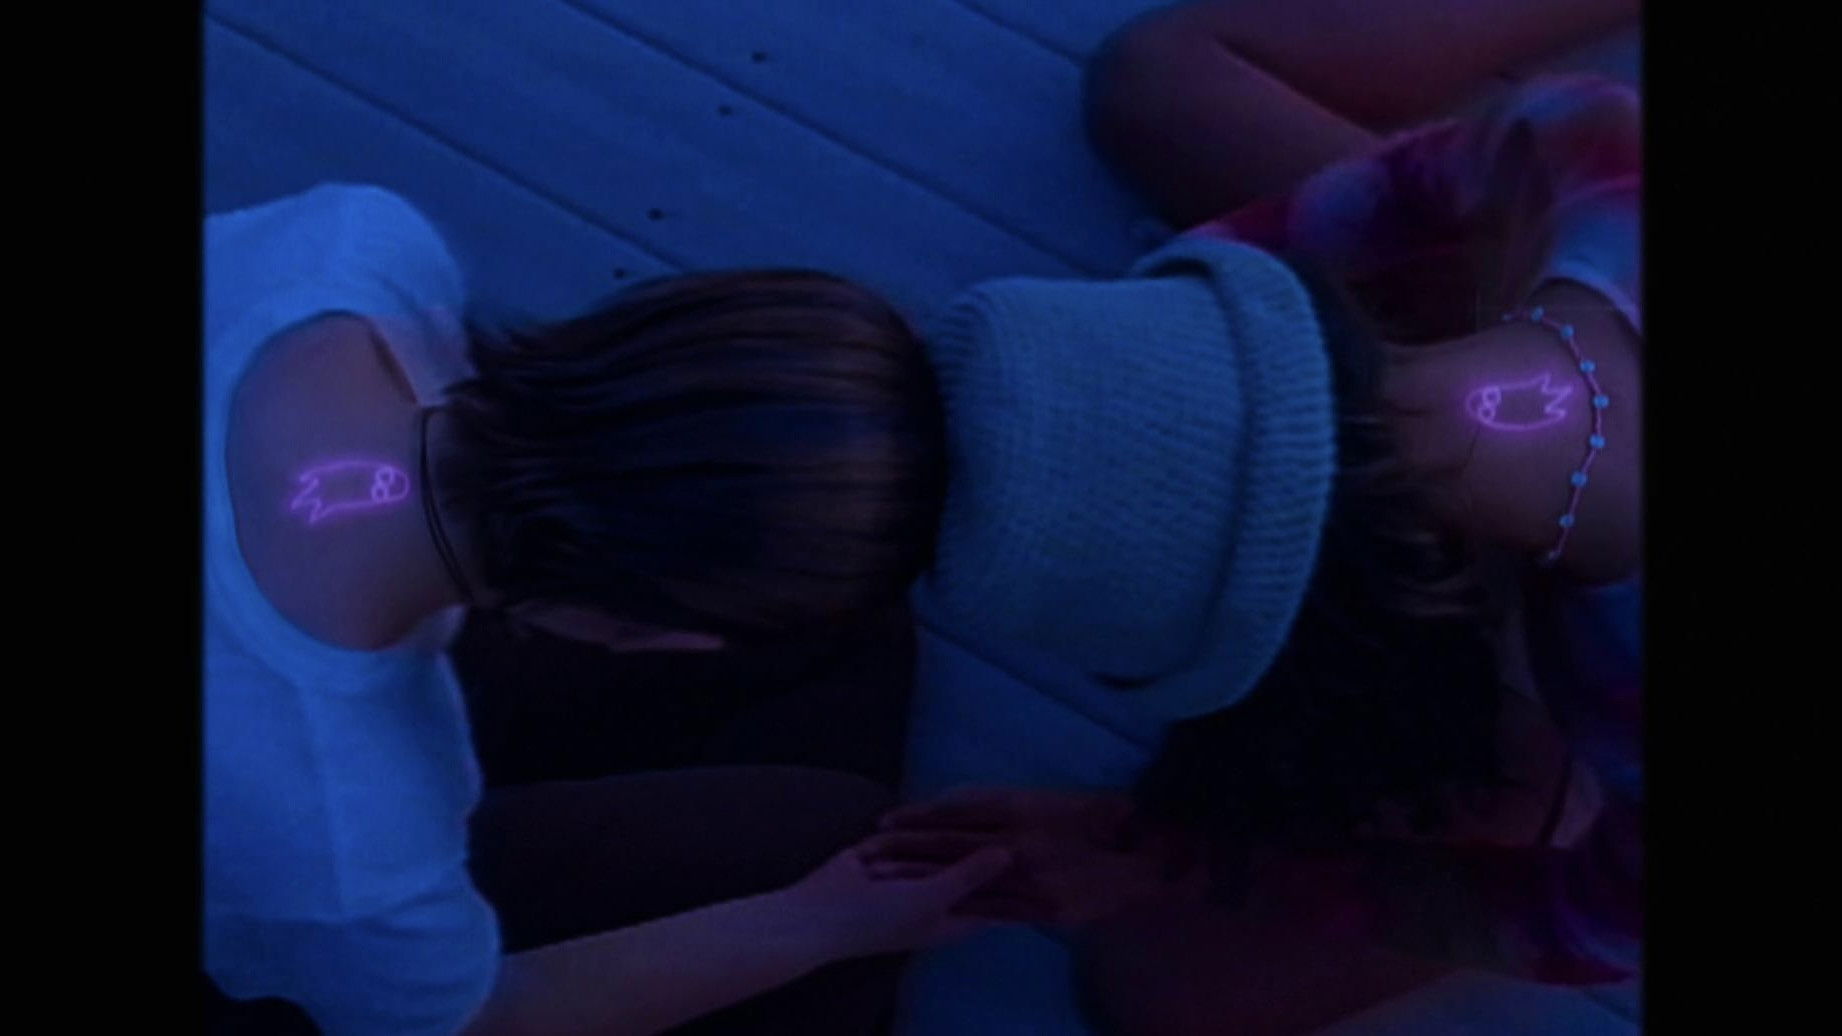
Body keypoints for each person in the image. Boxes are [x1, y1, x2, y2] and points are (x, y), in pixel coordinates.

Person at [871, 0, 1642, 1030]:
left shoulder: (1579, 147)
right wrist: (1141, 365)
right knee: (1162, 87)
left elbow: (1589, 921)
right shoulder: (1592, 155)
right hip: (1511, 415)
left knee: (1160, 990)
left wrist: (1175, 854)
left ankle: (1528, 784)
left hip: (1577, 658)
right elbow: (1354, 209)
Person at [203, 183, 1013, 1035]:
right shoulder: (343, 829)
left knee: (848, 643)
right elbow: (479, 1022)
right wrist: (823, 926)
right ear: (665, 636)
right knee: (820, 834)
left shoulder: (345, 245)